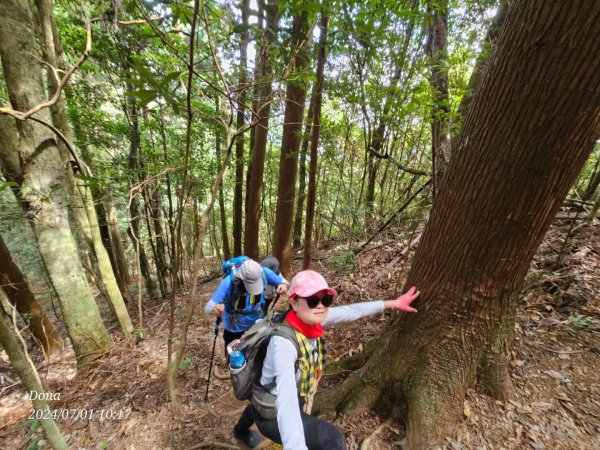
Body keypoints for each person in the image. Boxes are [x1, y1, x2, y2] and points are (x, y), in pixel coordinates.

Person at [232, 269, 419, 449]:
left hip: (264, 394)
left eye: (326, 299)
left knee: (259, 404)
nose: (320, 305)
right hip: (272, 413)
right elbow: (286, 397)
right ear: (294, 302)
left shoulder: (307, 320)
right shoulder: (283, 345)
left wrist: (393, 303)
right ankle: (243, 429)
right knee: (332, 439)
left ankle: (239, 431)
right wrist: (295, 445)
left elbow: (352, 311)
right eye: (312, 300)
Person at [204, 259, 288, 352]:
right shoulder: (229, 282)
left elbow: (283, 281)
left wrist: (283, 285)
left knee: (254, 352)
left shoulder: (263, 272)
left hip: (256, 324)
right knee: (235, 357)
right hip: (234, 328)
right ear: (241, 278)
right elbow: (208, 307)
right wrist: (215, 309)